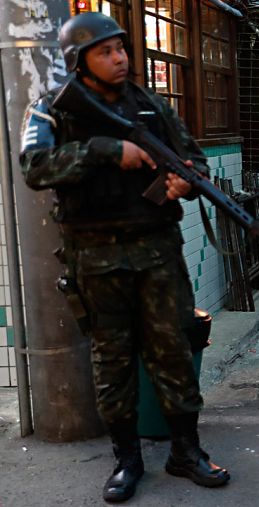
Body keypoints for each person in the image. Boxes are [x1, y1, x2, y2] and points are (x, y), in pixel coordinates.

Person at [19, 13, 229, 503]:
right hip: (95, 257)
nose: (119, 59)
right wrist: (107, 151)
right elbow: (34, 166)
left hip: (156, 252)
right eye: (105, 52)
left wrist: (185, 179)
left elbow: (192, 157)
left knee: (173, 351)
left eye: (121, 49)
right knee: (112, 360)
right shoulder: (53, 109)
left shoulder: (151, 106)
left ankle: (185, 450)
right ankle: (127, 460)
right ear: (80, 62)